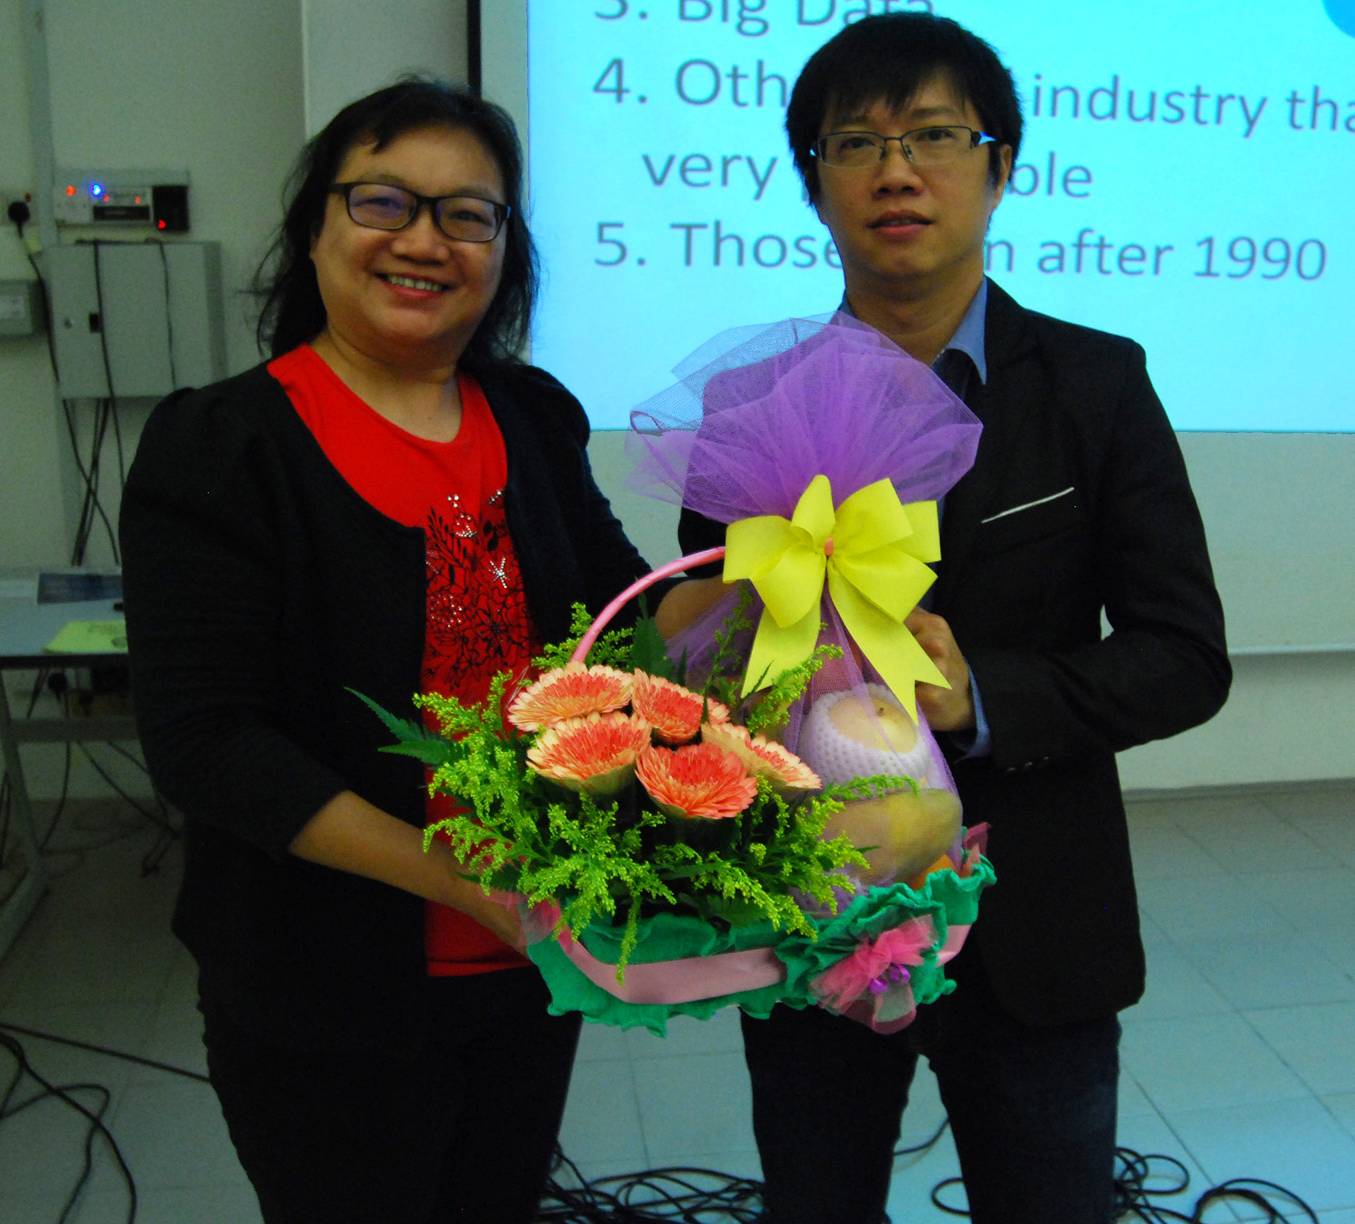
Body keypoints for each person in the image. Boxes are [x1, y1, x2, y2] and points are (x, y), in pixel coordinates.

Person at [670, 14, 1231, 1224]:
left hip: (1036, 924)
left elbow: (1183, 658)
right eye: (852, 143)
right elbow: (700, 656)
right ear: (811, 182)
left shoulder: (1094, 384)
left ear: (1000, 165)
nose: (894, 170)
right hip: (807, 916)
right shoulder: (752, 403)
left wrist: (984, 699)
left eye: (933, 135)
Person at [120, 80, 650, 1224]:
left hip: (532, 968)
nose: (424, 239)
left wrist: (779, 588)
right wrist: (467, 883)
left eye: (469, 214)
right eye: (383, 201)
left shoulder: (534, 415)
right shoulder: (222, 442)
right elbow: (205, 744)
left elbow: (620, 631)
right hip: (318, 983)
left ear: (506, 253)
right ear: (314, 226)